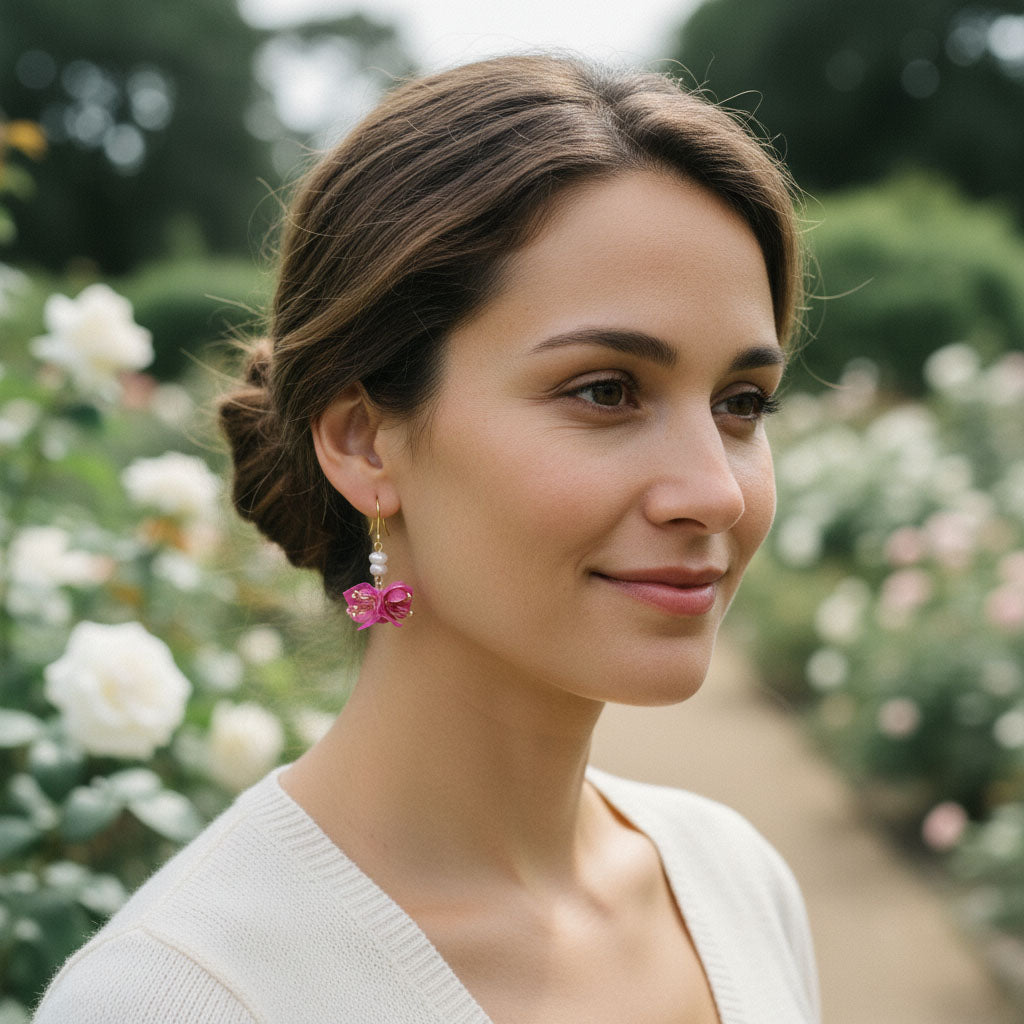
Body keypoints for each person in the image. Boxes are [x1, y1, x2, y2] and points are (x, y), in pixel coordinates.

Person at [34, 54, 820, 1023]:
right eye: (605, 391)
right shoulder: (181, 996)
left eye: (742, 403)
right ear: (364, 440)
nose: (716, 491)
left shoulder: (737, 884)